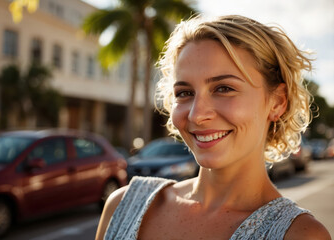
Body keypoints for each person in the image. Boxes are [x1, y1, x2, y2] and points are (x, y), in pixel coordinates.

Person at [96, 15, 331, 240]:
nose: (197, 115)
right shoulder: (123, 206)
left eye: (224, 88)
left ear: (277, 102)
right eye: (185, 93)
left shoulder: (300, 235)